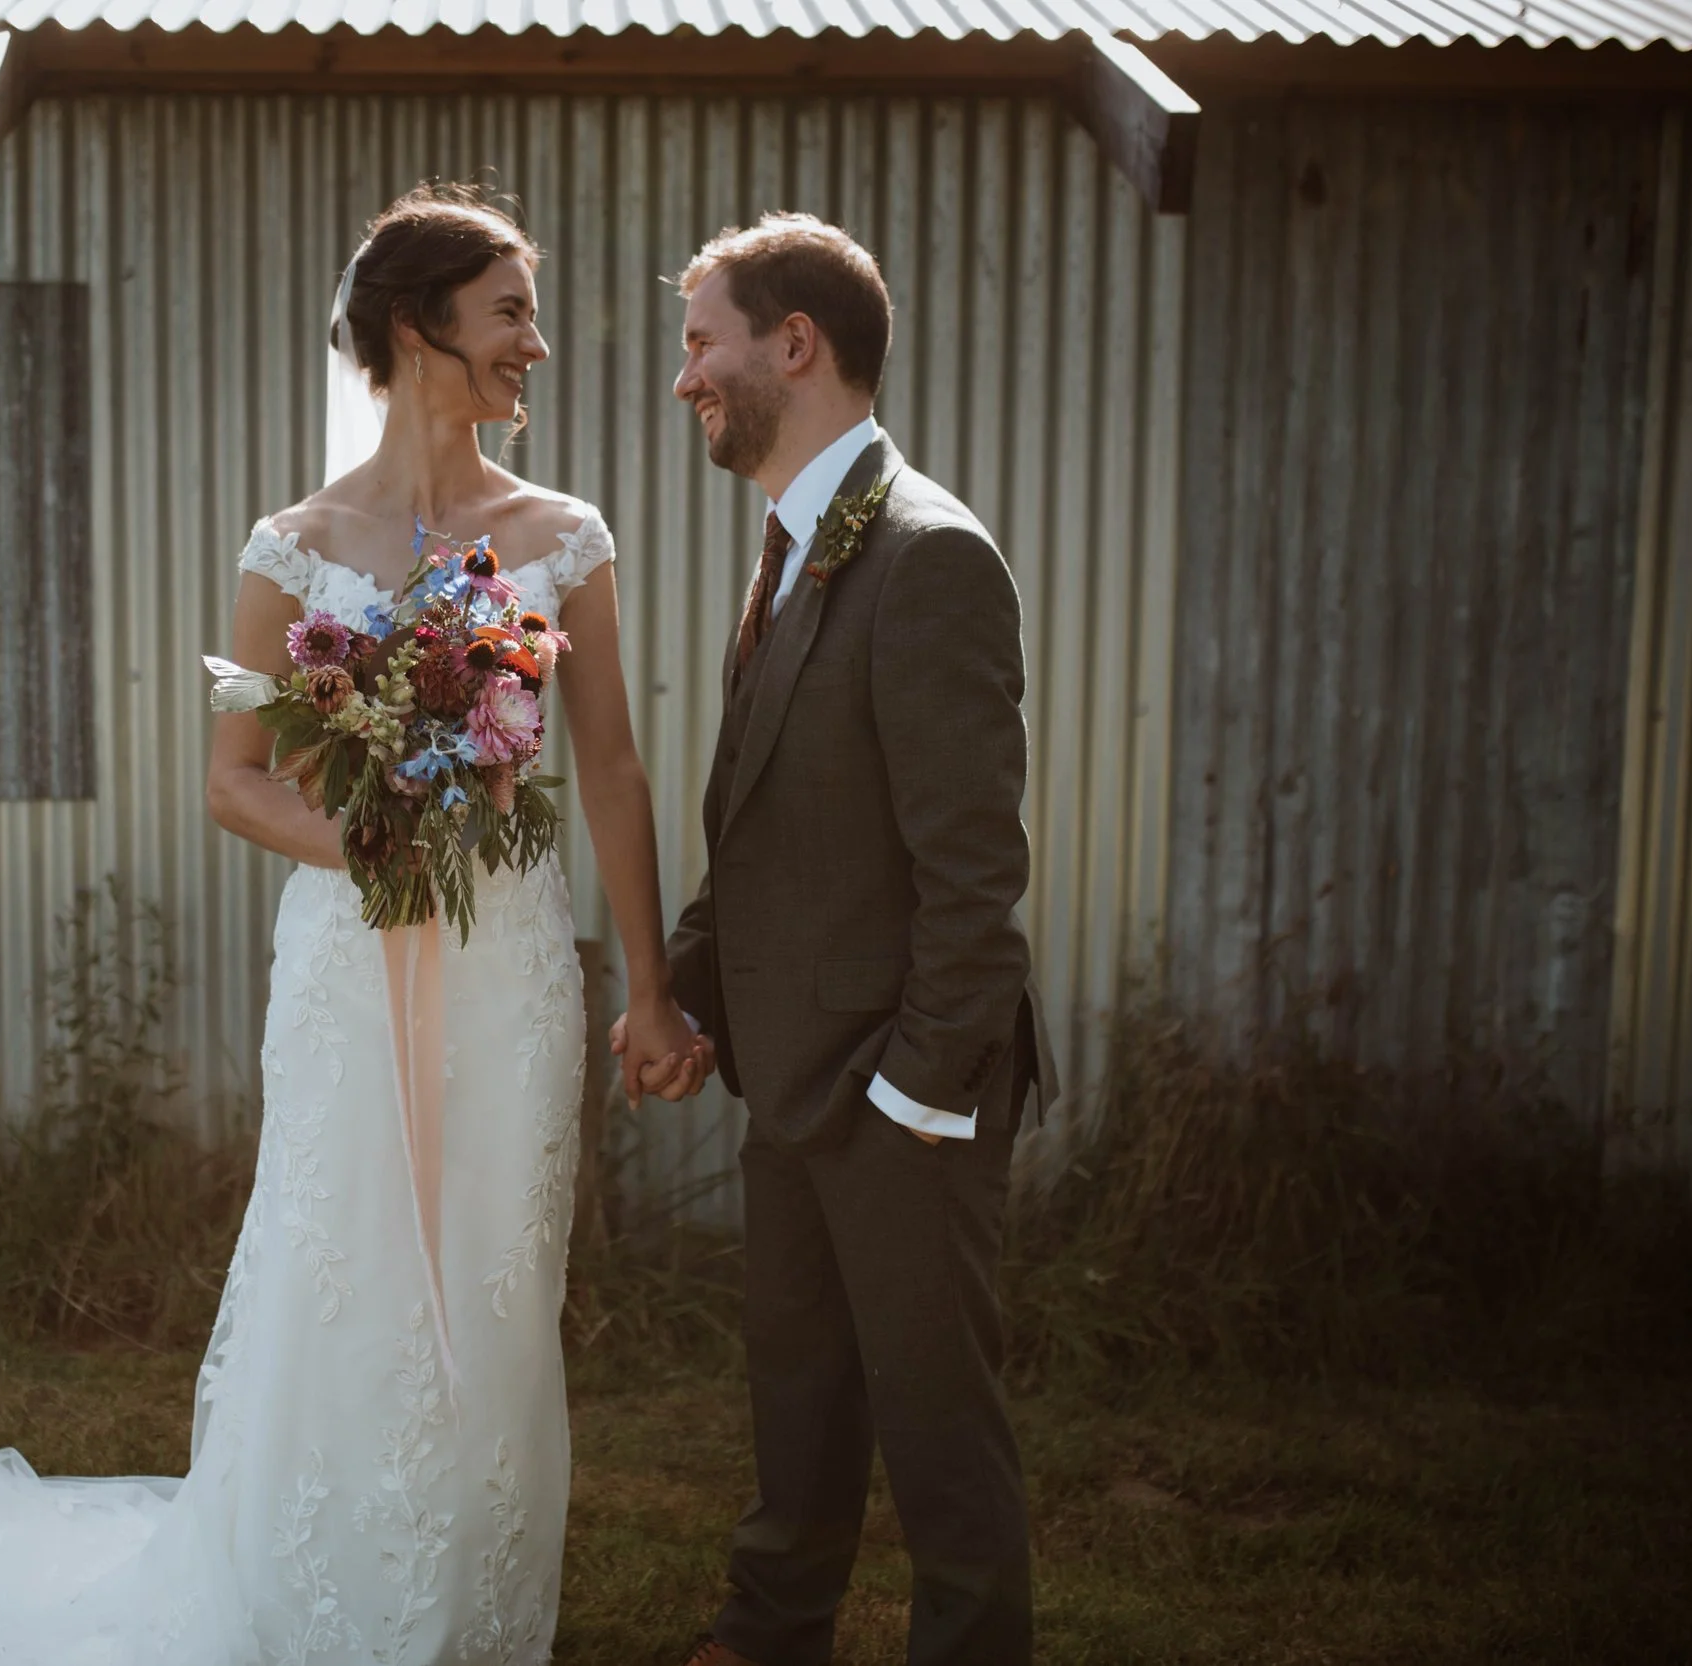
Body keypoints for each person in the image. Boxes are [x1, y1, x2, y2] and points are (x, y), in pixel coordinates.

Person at [0, 183, 708, 1664]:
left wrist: (648, 985)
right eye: (511, 312)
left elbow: (614, 763)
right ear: (415, 325)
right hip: (348, 957)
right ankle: (307, 1596)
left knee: (499, 1269)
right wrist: (368, 839)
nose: (538, 344)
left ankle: (465, 1603)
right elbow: (234, 785)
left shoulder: (563, 537)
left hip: (506, 954)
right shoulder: (292, 548)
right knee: (342, 1259)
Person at [620, 213, 1061, 1666]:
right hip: (793, 1076)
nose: (685, 375)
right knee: (798, 1383)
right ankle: (773, 1625)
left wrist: (911, 1097)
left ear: (792, 345)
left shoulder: (927, 557)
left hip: (899, 1096)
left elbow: (975, 877)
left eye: (702, 341)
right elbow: (760, 826)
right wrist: (677, 994)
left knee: (939, 1426)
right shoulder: (795, 545)